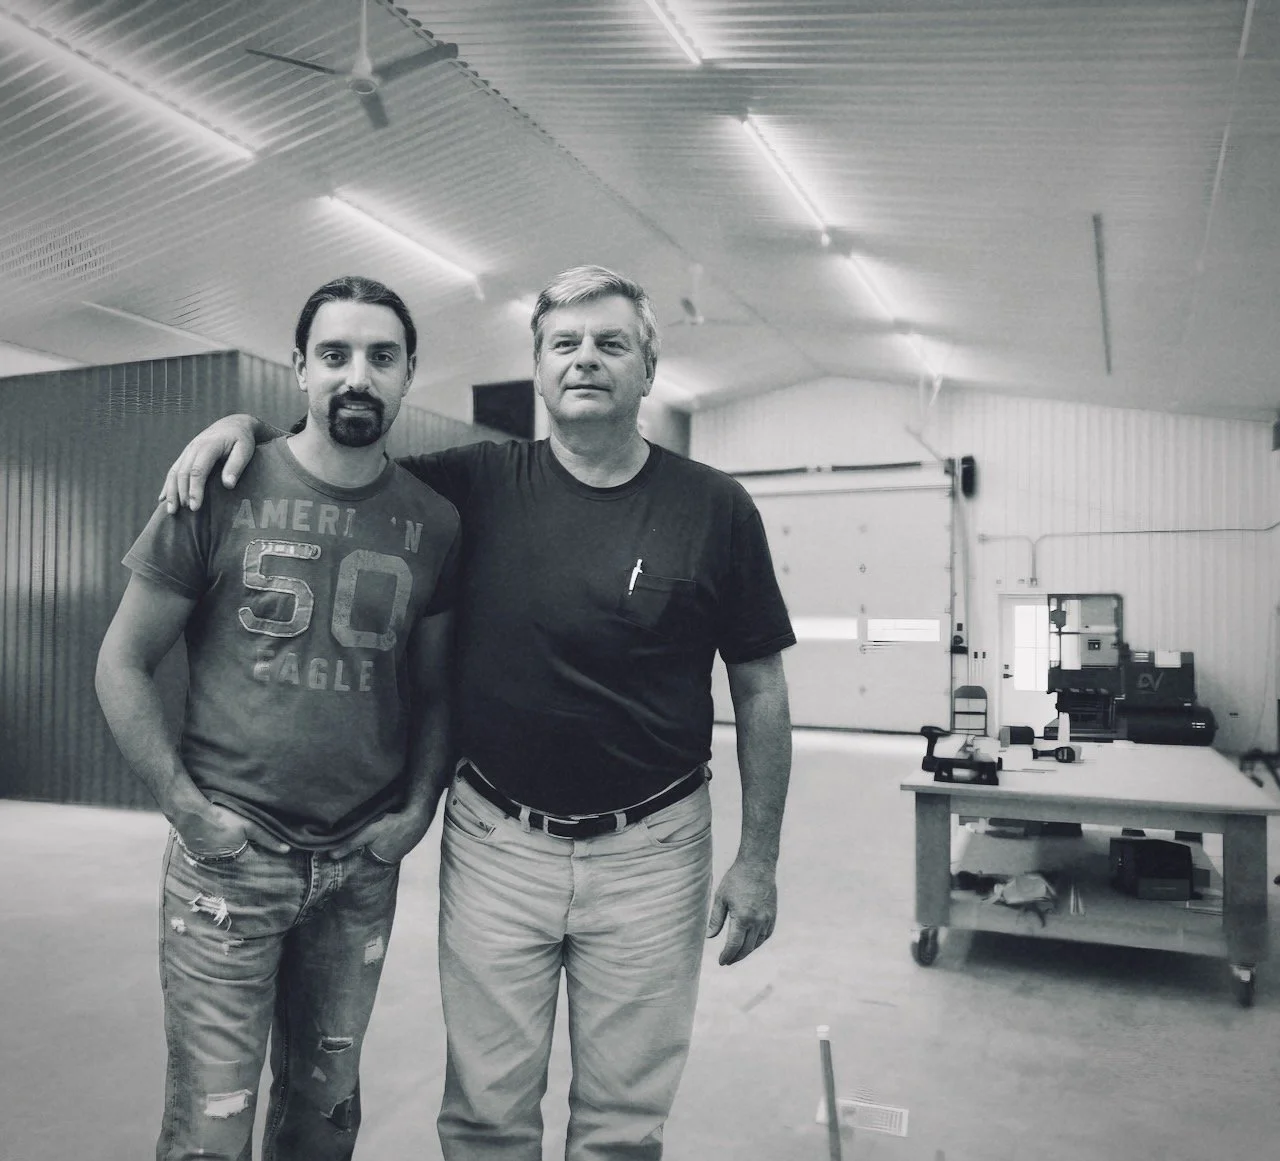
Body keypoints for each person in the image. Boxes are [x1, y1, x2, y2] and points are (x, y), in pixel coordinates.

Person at [160, 264, 794, 1161]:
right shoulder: (476, 486)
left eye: (612, 343)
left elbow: (760, 685)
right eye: (563, 344)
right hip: (500, 843)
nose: (586, 360)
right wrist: (243, 429)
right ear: (536, 368)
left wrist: (758, 857)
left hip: (655, 851)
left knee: (624, 1124)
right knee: (486, 1116)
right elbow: (341, 454)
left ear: (648, 369)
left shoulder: (715, 508)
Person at [96, 275, 460, 1161]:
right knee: (210, 1128)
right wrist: (186, 807)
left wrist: (414, 814)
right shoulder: (220, 483)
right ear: (298, 368)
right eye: (334, 354)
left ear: (411, 373)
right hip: (231, 862)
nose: (357, 376)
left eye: (381, 356)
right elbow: (123, 661)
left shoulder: (435, 520)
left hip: (359, 866)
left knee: (323, 1118)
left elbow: (439, 689)